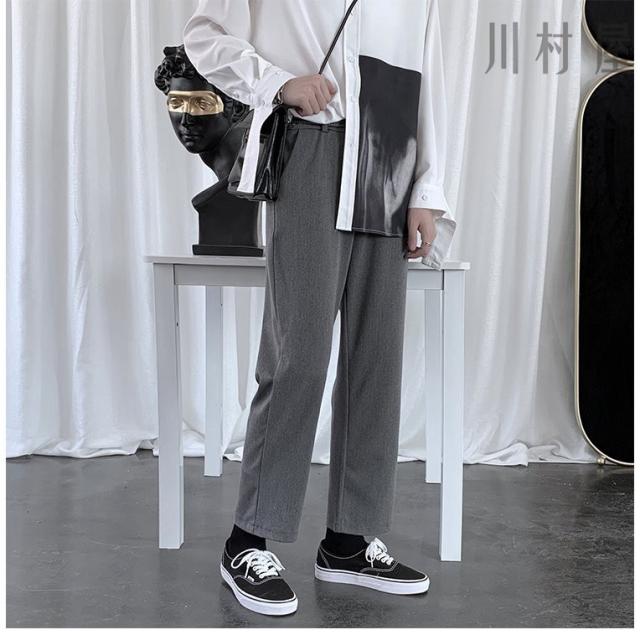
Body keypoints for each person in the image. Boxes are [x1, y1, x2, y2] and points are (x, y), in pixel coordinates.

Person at [183, 0, 456, 616]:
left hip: (391, 142)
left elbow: (427, 74)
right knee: (298, 355)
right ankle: (247, 540)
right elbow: (204, 35)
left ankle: (349, 542)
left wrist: (428, 188)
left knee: (376, 357)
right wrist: (278, 83)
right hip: (310, 143)